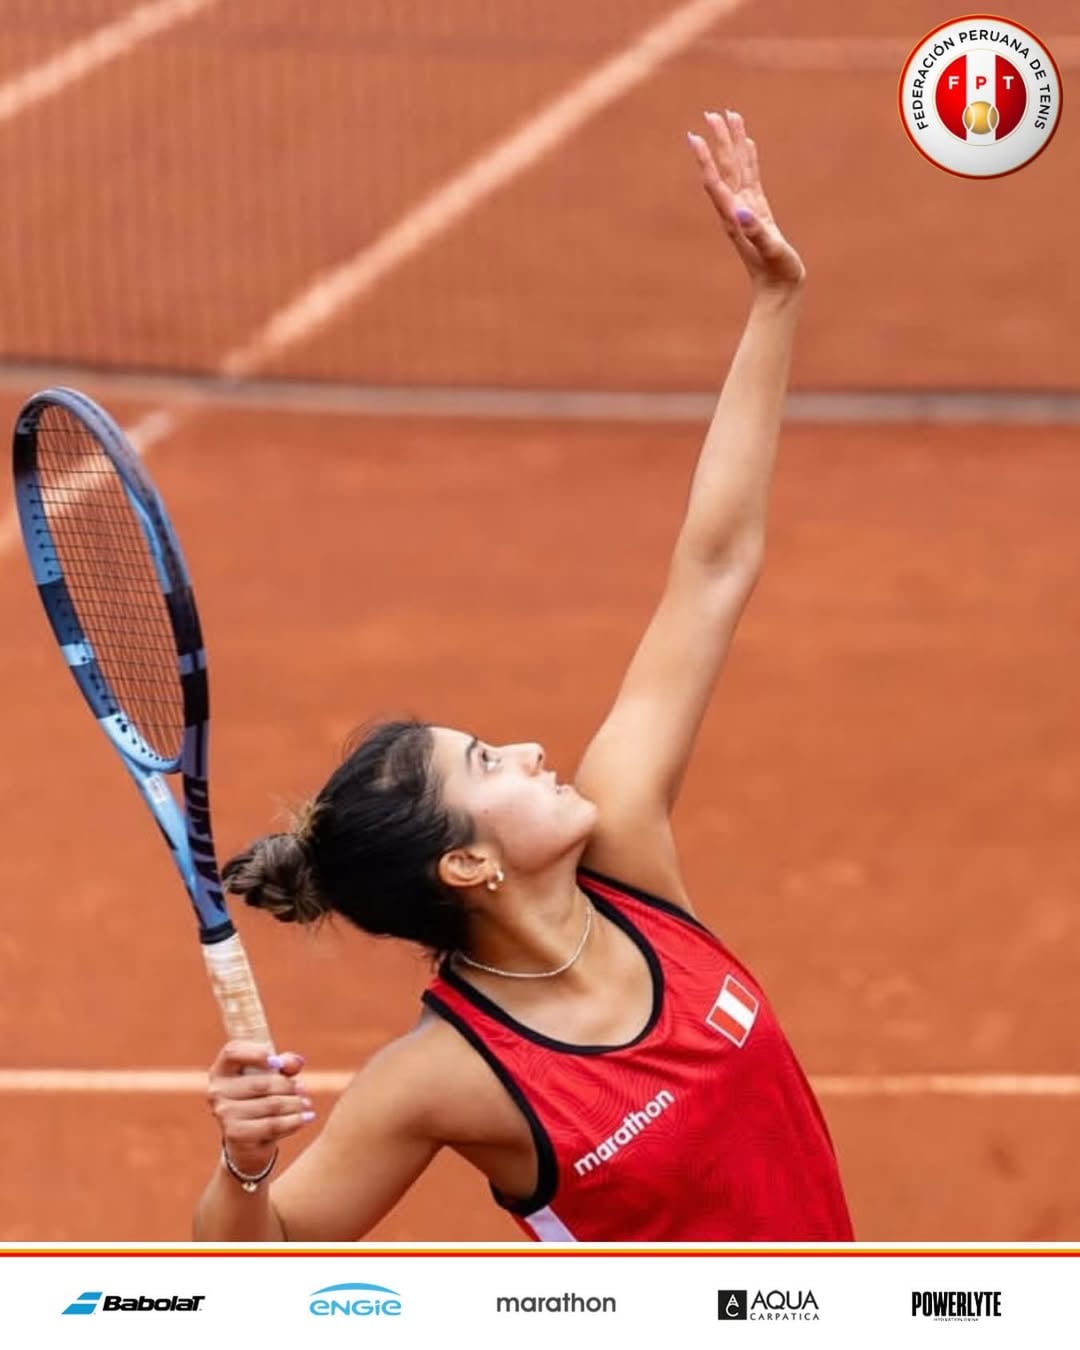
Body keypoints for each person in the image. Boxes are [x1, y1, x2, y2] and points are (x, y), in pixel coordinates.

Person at [194, 109, 854, 1243]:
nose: (534, 750)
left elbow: (710, 569)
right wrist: (244, 1168)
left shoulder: (629, 860)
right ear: (467, 862)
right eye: (489, 763)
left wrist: (774, 301)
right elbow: (249, 1272)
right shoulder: (448, 1075)